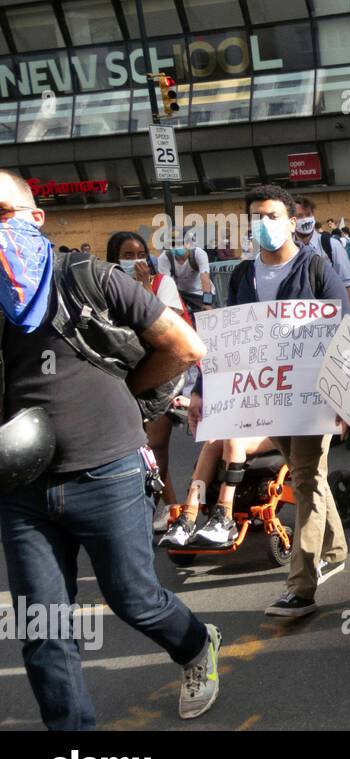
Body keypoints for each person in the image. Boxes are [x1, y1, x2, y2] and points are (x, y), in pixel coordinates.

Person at [0, 169, 220, 727]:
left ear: (34, 218)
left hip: (107, 474)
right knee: (45, 629)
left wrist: (128, 393)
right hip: (21, 491)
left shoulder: (85, 276)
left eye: (2, 214)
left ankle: (195, 645)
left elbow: (185, 344)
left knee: (135, 600)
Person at [189, 184, 350, 618]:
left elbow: (343, 329)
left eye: (273, 215)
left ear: (293, 222)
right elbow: (228, 341)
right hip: (266, 397)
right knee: (302, 475)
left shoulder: (315, 268)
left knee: (308, 478)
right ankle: (335, 547)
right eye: (257, 216)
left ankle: (301, 587)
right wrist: (203, 391)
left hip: (313, 395)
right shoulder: (243, 275)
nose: (265, 223)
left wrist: (345, 395)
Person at [106, 231, 188, 532]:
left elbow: (167, 326)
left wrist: (142, 290)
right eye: (127, 256)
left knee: (155, 445)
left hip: (159, 374)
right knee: (136, 447)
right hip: (124, 374)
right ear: (115, 258)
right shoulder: (108, 284)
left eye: (140, 254)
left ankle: (150, 504)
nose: (136, 260)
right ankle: (169, 506)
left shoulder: (161, 284)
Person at [294, 196, 350, 318]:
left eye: (308, 214)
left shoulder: (331, 245)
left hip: (331, 316)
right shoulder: (288, 249)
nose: (305, 219)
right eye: (300, 216)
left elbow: (347, 283)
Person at [157, 231, 214, 314]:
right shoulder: (164, 258)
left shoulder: (199, 254)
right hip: (181, 292)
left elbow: (205, 279)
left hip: (200, 292)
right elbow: (166, 284)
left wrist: (207, 303)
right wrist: (170, 305)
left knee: (204, 315)